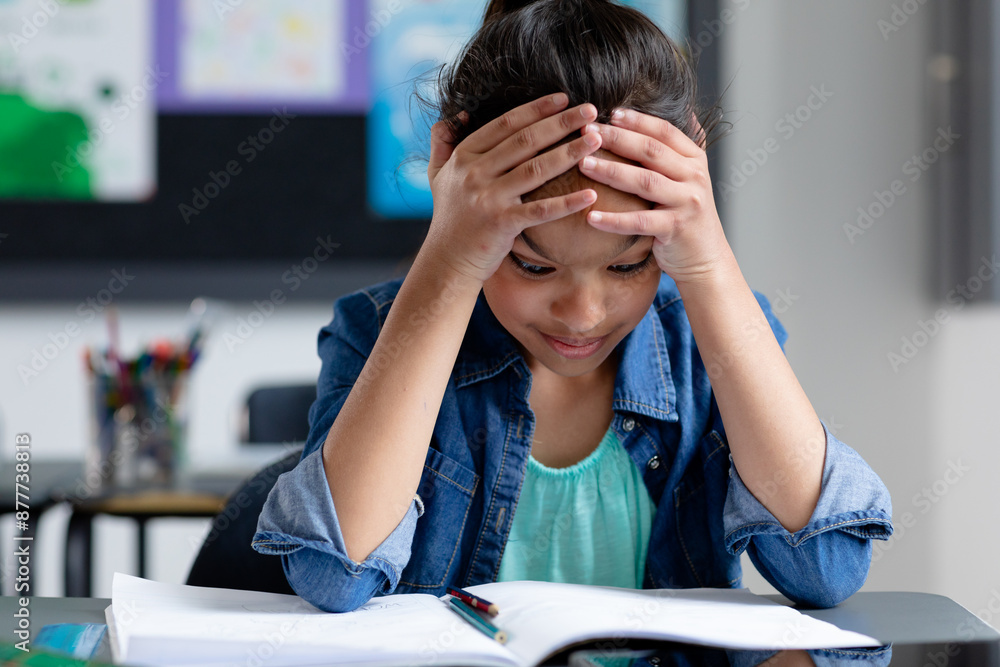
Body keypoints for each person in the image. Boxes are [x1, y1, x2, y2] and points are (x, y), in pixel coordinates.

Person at [252, 0, 892, 613]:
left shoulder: (706, 340)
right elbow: (333, 574)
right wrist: (447, 260)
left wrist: (707, 262)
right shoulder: (372, 330)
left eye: (626, 264)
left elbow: (826, 567)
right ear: (448, 161)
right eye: (532, 264)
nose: (583, 313)